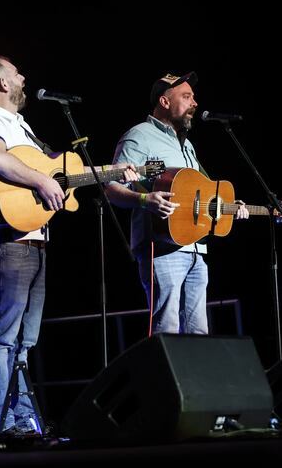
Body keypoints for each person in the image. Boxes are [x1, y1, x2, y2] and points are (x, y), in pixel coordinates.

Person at [0, 55, 137, 437]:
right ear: (2, 85)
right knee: (3, 336)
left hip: (33, 240)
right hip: (6, 242)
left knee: (24, 342)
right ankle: (0, 423)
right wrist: (43, 183)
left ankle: (23, 420)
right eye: (16, 74)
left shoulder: (21, 126)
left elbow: (56, 172)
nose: (23, 77)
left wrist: (114, 174)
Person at [104, 72, 248, 335]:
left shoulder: (187, 145)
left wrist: (230, 204)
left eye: (193, 97)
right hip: (160, 245)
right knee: (166, 328)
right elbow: (112, 187)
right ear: (165, 101)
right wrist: (145, 200)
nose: (194, 103)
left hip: (196, 248)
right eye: (186, 97)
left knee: (199, 332)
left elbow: (202, 192)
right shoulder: (139, 136)